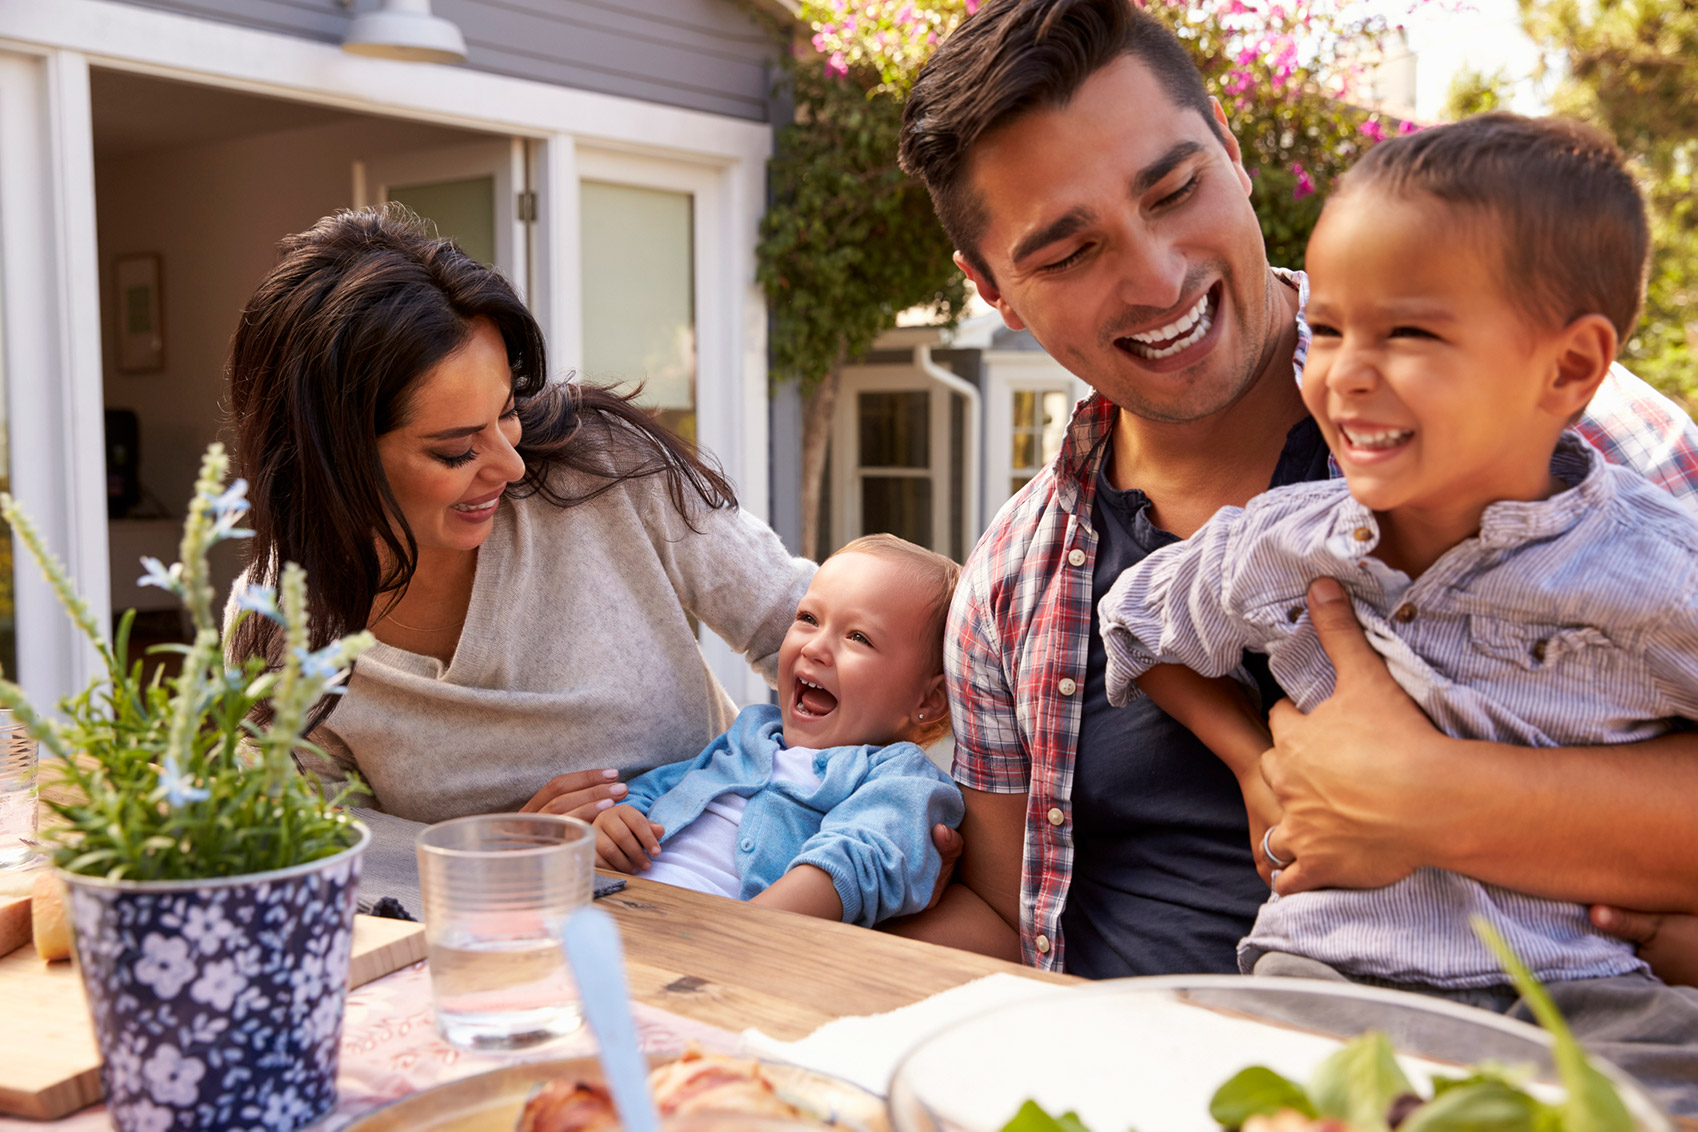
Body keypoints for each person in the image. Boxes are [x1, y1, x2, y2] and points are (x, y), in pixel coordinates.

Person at [886, 0, 1698, 980]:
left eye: (1175, 189)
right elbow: (1006, 910)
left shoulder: (1571, 425)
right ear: (994, 290)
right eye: (1070, 251)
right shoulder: (1008, 582)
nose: (1158, 276)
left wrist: (1421, 797)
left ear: (1231, 151)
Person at [1094, 114, 1698, 1111]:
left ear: (1570, 368)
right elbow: (1135, 621)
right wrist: (1256, 763)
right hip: (1330, 981)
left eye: (1409, 332)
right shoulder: (1288, 542)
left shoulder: (1657, 567)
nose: (1344, 372)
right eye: (1327, 328)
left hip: (1584, 997)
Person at [225, 205, 814, 913]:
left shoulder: (602, 469)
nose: (508, 463)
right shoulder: (280, 625)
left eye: (507, 410)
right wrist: (510, 850)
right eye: (455, 449)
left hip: (737, 903)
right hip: (493, 949)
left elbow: (809, 631)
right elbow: (303, 838)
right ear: (332, 461)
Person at [593, 535, 965, 926]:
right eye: (808, 619)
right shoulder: (750, 735)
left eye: (859, 637)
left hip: (712, 944)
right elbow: (663, 788)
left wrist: (738, 934)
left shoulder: (899, 777)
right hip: (603, 912)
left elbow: (859, 858)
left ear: (929, 700)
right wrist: (620, 820)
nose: (814, 648)